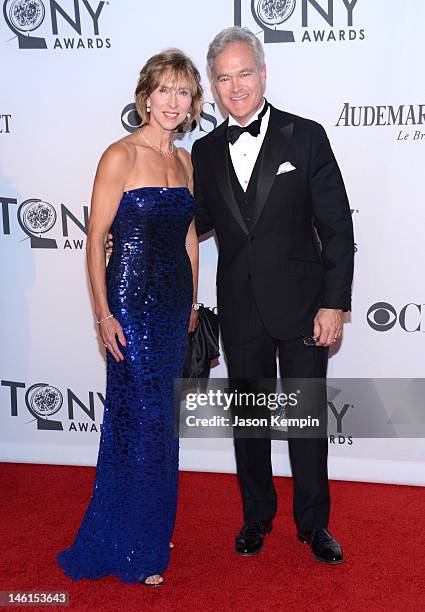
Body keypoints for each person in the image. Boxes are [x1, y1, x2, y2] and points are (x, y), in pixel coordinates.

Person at [192, 27, 354, 564]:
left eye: (244, 73)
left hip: (305, 305)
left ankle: (314, 526)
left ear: (263, 74)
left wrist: (334, 303)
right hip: (240, 305)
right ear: (212, 87)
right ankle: (256, 517)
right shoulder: (205, 150)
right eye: (223, 77)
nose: (235, 86)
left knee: (306, 421)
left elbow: (336, 228)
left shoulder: (304, 136)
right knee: (251, 423)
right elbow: (198, 222)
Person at [57, 49, 202, 586]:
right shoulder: (119, 155)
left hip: (172, 306)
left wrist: (192, 301)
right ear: (145, 96)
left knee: (162, 420)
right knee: (138, 418)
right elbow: (96, 239)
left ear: (192, 103)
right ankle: (134, 545)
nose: (172, 101)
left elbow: (188, 237)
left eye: (183, 92)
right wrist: (102, 314)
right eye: (164, 90)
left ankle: (149, 523)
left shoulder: (185, 162)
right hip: (131, 299)